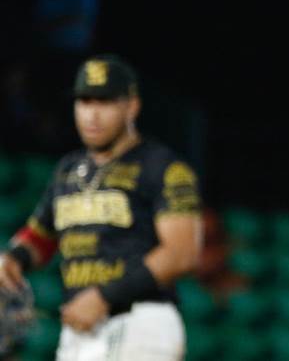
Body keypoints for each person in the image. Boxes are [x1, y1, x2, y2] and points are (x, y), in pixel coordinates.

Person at [0, 54, 202, 360]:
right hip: (80, 328)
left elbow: (182, 253)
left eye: (105, 102)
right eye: (84, 102)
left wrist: (105, 296)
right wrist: (14, 258)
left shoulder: (163, 167)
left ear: (132, 106)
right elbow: (41, 234)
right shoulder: (68, 169)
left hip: (140, 320)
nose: (92, 115)